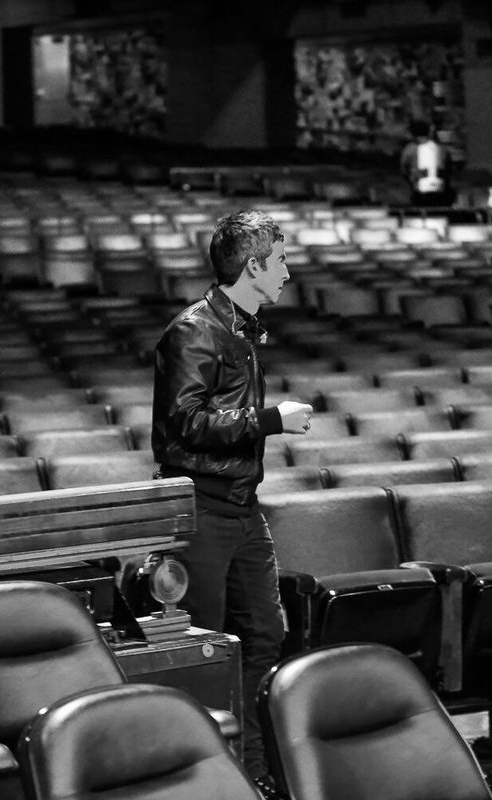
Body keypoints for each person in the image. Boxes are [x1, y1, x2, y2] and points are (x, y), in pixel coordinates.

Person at [151, 209, 312, 797]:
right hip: (200, 511)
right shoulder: (195, 330)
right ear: (254, 266)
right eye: (282, 261)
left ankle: (253, 772)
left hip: (242, 508)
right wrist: (270, 420)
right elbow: (185, 423)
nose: (289, 272)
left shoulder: (243, 328)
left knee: (265, 636)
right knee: (204, 647)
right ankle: (202, 778)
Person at [399, 118, 456, 207]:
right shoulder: (442, 149)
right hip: (441, 194)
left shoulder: (409, 150)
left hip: (419, 194)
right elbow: (449, 172)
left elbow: (404, 171)